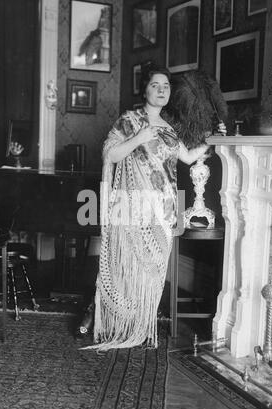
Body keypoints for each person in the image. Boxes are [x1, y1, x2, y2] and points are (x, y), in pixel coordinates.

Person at [80, 64, 226, 351]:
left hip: (163, 208)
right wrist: (137, 139)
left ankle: (140, 324)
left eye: (166, 87)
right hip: (132, 208)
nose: (161, 90)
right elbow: (109, 153)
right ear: (144, 90)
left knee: (153, 271)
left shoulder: (170, 128)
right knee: (126, 268)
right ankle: (115, 323)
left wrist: (215, 140)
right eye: (155, 85)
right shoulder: (130, 120)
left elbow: (186, 157)